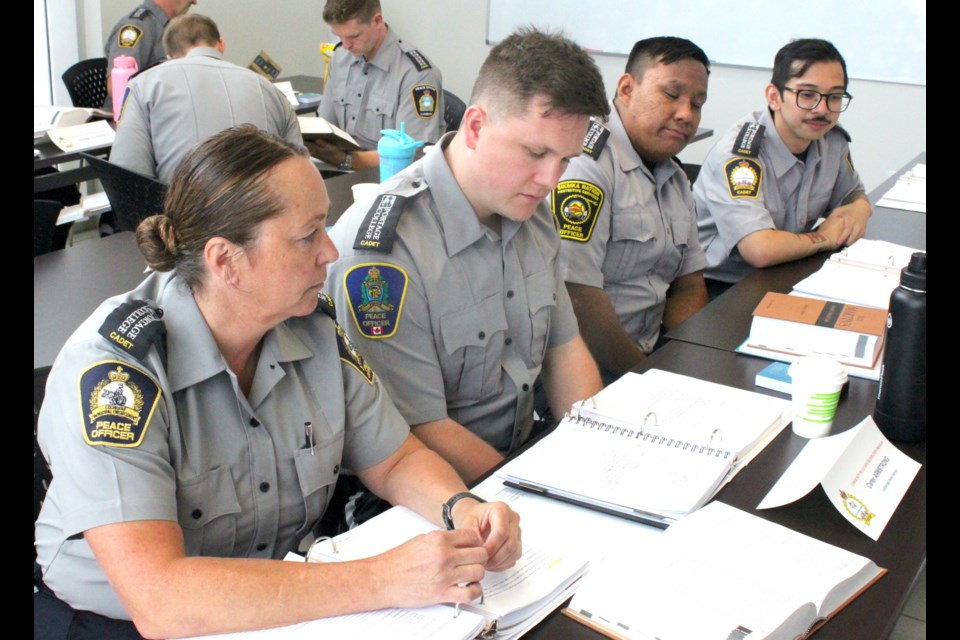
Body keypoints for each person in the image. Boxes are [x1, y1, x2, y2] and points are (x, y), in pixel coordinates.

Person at [34, 125, 522, 640]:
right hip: (113, 624)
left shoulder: (308, 327)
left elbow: (396, 458)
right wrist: (381, 579)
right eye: (307, 235)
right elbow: (161, 600)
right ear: (226, 261)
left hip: (273, 606)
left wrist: (463, 510)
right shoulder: (117, 372)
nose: (331, 252)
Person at [325, 27, 608, 506]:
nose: (551, 180)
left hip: (519, 467)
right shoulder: (383, 253)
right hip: (425, 495)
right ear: (475, 127)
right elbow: (416, 429)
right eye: (537, 153)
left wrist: (595, 459)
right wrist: (533, 498)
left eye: (566, 159)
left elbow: (565, 350)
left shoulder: (531, 213)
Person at [550, 37, 710, 383]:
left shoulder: (674, 176)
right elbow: (577, 298)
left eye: (697, 104)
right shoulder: (584, 164)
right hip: (590, 373)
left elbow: (689, 284)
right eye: (671, 95)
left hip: (650, 359)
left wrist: (686, 364)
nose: (686, 114)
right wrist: (644, 376)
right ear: (626, 89)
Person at [694, 38, 872, 297]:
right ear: (774, 97)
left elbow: (854, 195)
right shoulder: (741, 157)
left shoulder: (830, 140)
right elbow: (760, 249)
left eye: (834, 97)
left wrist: (859, 210)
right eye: (807, 94)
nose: (822, 109)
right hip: (719, 287)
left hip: (786, 271)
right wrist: (826, 237)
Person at [109, 13, 304, 185]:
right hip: (264, 217)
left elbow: (127, 175)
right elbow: (301, 170)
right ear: (221, 45)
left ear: (168, 55)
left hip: (184, 221)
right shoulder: (268, 88)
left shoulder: (143, 86)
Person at [312, 0, 444, 171]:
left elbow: (414, 155)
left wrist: (348, 160)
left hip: (389, 176)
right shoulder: (340, 57)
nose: (346, 45)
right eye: (339, 36)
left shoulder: (416, 75)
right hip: (342, 169)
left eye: (353, 36)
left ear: (377, 21)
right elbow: (325, 126)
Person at [103, 0, 197, 108]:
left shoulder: (173, 28)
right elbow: (118, 89)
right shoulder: (136, 26)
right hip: (133, 119)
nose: (195, 2)